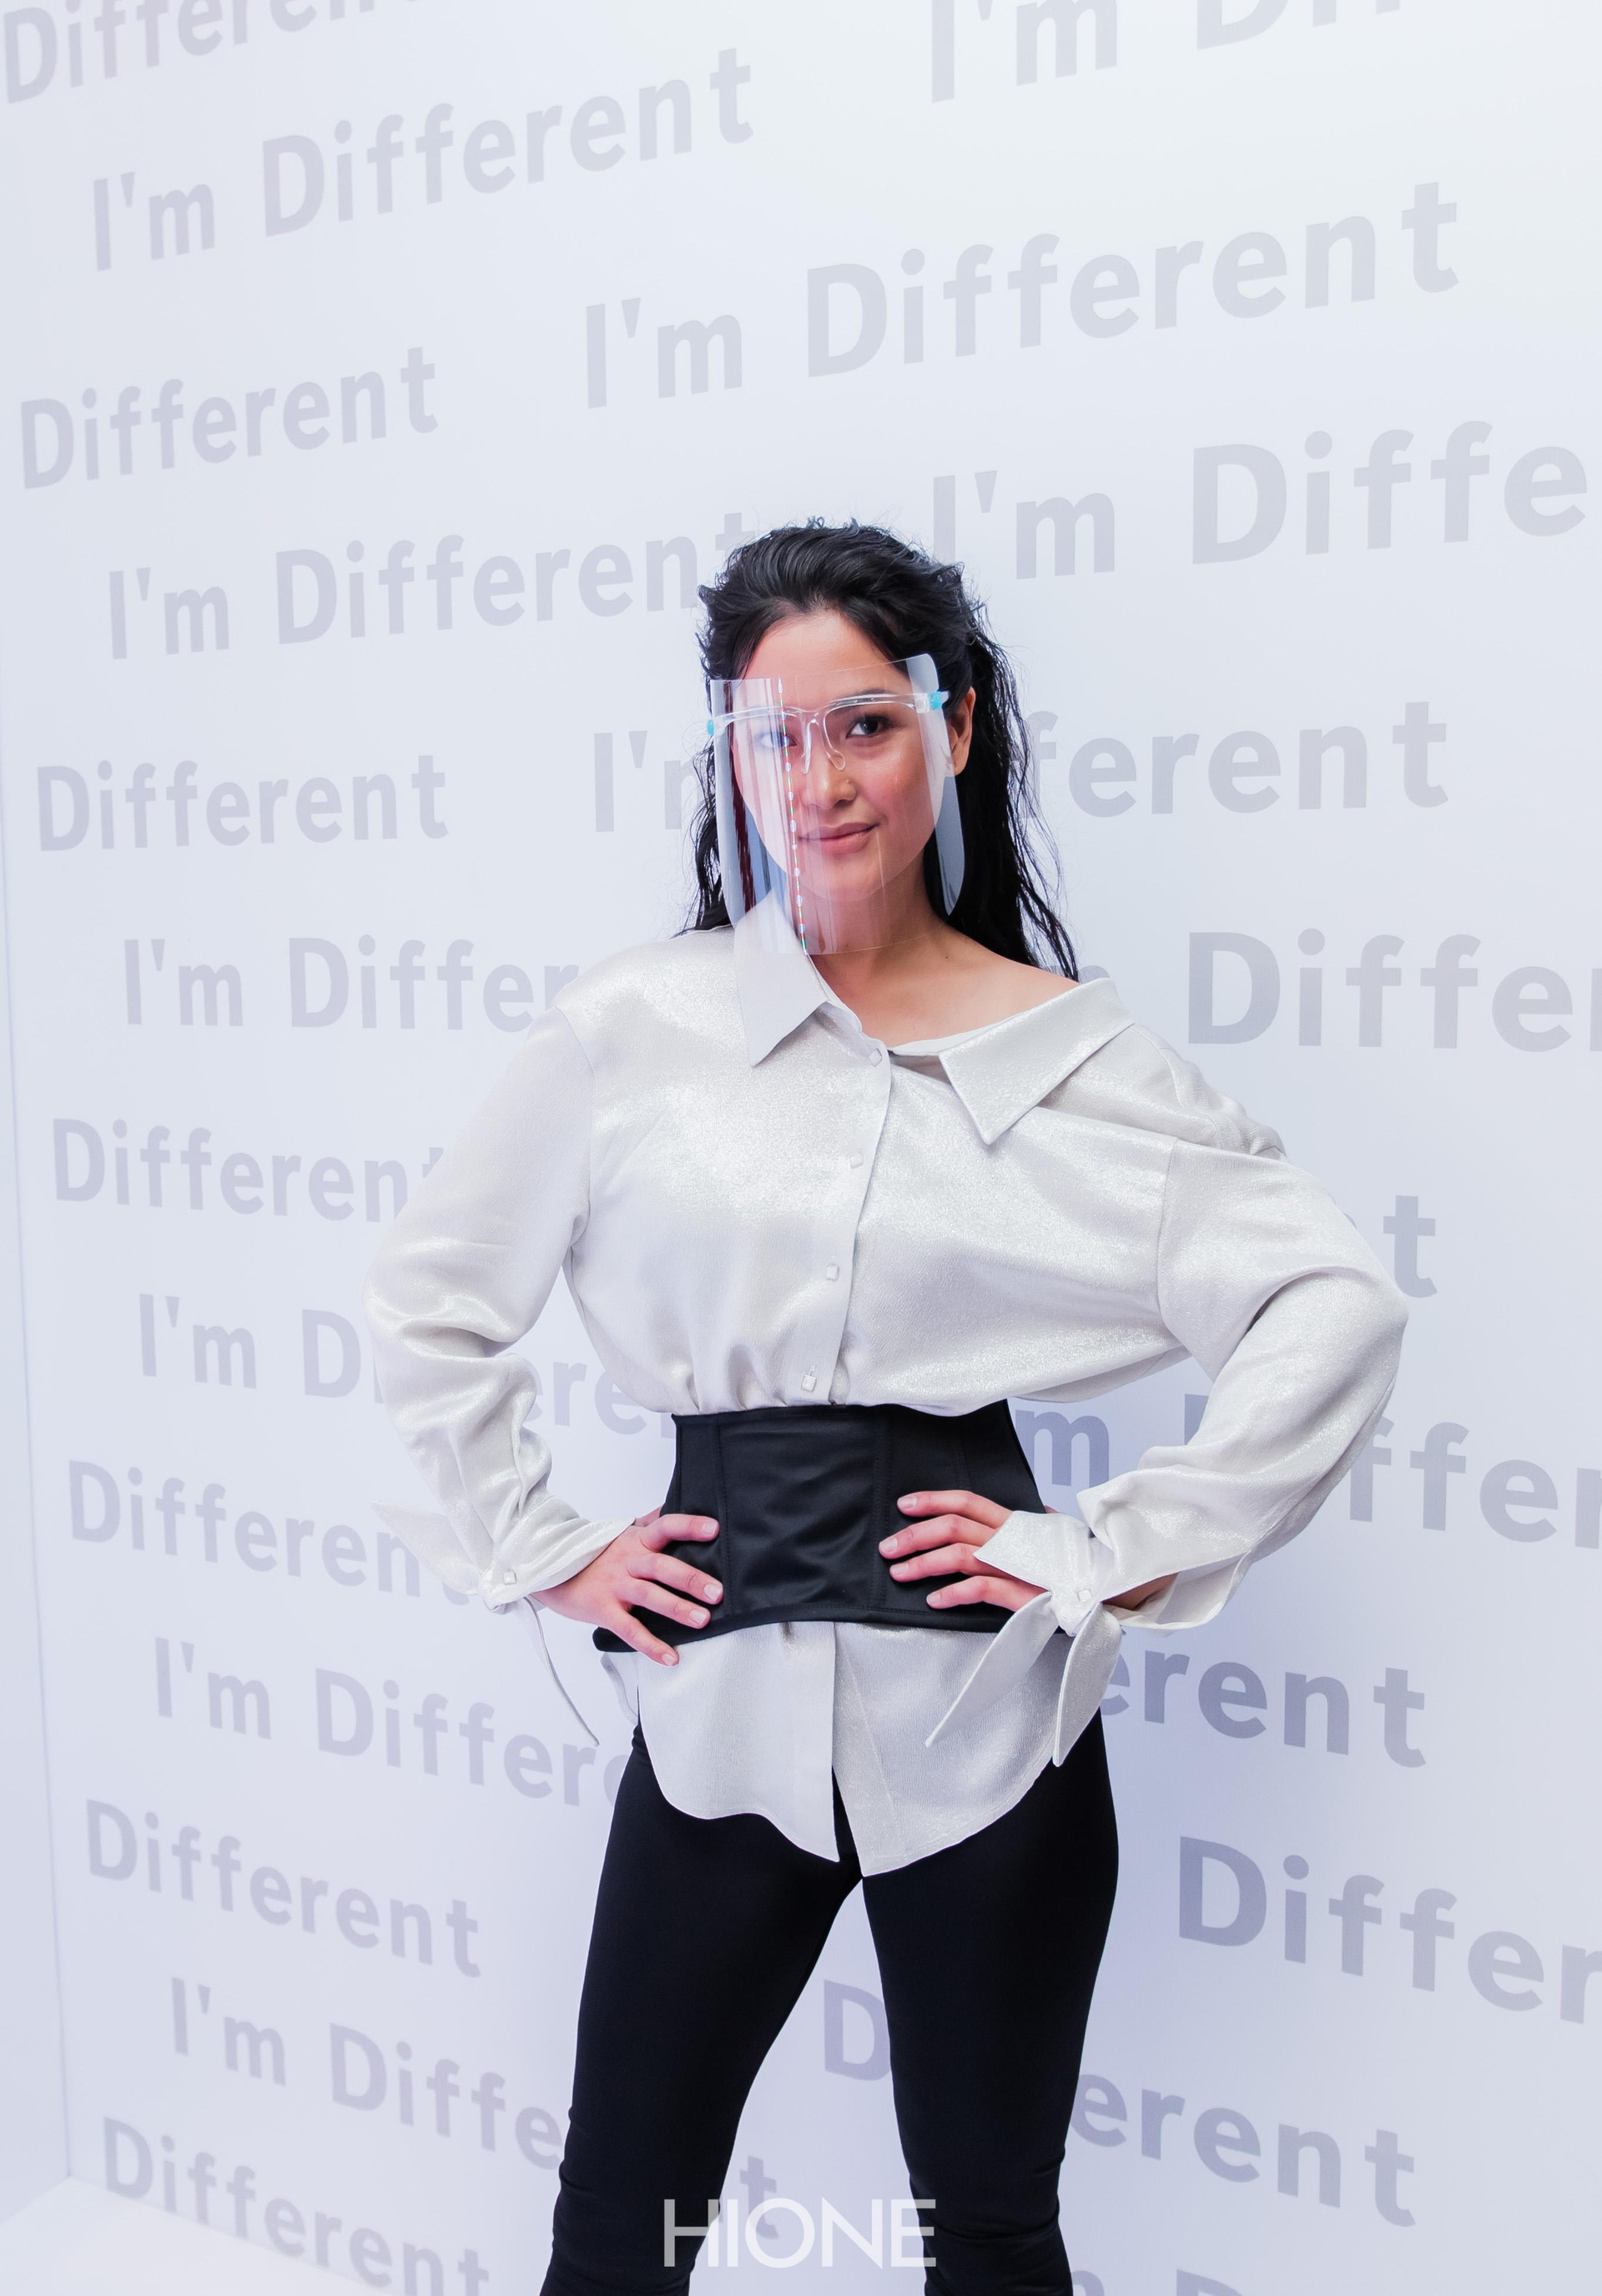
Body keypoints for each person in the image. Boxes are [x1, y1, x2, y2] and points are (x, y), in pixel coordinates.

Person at [364, 521, 1407, 2296]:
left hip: (994, 1736)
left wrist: (1112, 1548)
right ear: (729, 750)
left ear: (956, 727)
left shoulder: (1077, 1057)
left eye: (864, 725)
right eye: (774, 735)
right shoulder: (635, 1029)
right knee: (622, 2220)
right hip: (716, 1726)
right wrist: (541, 1547)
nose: (819, 780)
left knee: (989, 2234)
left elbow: (1334, 1302)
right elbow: (431, 1297)